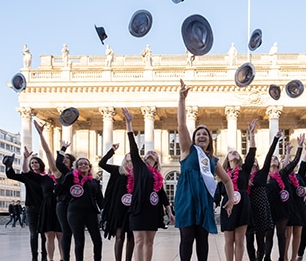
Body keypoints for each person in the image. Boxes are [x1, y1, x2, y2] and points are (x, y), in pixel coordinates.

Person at [175, 79, 234, 261]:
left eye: (205, 134)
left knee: (203, 240)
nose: (201, 135)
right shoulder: (187, 150)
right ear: (194, 138)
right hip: (186, 200)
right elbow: (181, 125)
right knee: (186, 239)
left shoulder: (213, 161)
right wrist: (182, 100)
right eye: (198, 134)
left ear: (209, 140)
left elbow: (227, 180)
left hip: (204, 201)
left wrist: (231, 199)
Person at [122, 107, 175, 261]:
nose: (152, 153)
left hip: (152, 210)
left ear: (157, 160)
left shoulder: (157, 175)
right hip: (138, 207)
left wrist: (169, 212)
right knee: (139, 241)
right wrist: (129, 124)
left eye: (154, 153)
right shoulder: (138, 167)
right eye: (149, 152)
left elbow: (162, 195)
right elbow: (133, 147)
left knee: (150, 242)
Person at [214, 119, 257, 261]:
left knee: (239, 240)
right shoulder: (223, 174)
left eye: (236, 152)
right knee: (228, 240)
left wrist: (251, 135)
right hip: (228, 206)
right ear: (227, 158)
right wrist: (213, 204)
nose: (234, 153)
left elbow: (251, 154)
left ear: (239, 158)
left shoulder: (244, 171)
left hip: (243, 205)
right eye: (231, 152)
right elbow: (218, 192)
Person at [265, 134, 305, 261]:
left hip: (281, 210)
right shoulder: (262, 175)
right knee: (268, 236)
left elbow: (294, 162)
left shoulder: (282, 174)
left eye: (276, 158)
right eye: (271, 158)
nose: (274, 159)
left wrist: (299, 147)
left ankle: (282, 258)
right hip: (268, 209)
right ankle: (267, 257)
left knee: (281, 235)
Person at [57, 156, 104, 261]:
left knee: (97, 239)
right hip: (75, 212)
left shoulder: (94, 182)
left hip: (91, 212)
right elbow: (59, 165)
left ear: (89, 167)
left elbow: (100, 198)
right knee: (79, 240)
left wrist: (103, 209)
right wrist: (62, 151)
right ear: (76, 167)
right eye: (81, 164)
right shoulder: (71, 178)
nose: (83, 165)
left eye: (86, 164)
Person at [22, 145, 63, 261]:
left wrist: (62, 150)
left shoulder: (63, 178)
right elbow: (25, 172)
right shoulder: (44, 178)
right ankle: (49, 259)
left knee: (61, 236)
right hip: (47, 208)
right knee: (49, 236)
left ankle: (63, 258)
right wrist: (25, 158)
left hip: (60, 208)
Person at [4, 154, 48, 261]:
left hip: (45, 208)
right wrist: (9, 166)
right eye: (32, 163)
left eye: (36, 162)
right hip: (31, 208)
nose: (34, 164)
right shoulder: (28, 177)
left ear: (41, 164)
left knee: (44, 234)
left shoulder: (47, 178)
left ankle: (44, 256)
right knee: (33, 234)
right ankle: (34, 257)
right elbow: (12, 175)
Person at [246, 131, 281, 261]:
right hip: (249, 207)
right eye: (251, 160)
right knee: (249, 238)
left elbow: (269, 155)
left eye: (255, 160)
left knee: (261, 238)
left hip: (261, 207)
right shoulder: (244, 176)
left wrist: (276, 139)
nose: (253, 161)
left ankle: (260, 258)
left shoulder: (262, 173)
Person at [99, 142, 135, 261]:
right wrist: (111, 151)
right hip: (118, 208)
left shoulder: (138, 174)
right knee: (119, 236)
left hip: (132, 208)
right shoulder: (118, 170)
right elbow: (102, 163)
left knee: (131, 237)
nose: (130, 156)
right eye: (128, 155)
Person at [55, 139, 77, 261]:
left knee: (75, 232)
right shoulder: (62, 171)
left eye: (67, 158)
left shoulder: (74, 172)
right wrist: (63, 149)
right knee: (66, 232)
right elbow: (58, 162)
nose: (64, 159)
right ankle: (65, 258)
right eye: (64, 157)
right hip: (63, 203)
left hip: (74, 204)